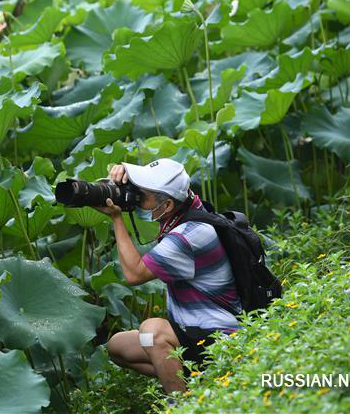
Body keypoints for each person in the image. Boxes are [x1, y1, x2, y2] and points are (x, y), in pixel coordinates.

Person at [94, 158, 242, 394]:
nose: (137, 197)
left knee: (151, 331)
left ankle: (182, 404)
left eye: (143, 194)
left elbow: (133, 274)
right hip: (191, 332)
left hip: (219, 336)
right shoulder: (191, 207)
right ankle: (200, 378)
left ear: (168, 205)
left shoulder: (187, 235)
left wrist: (116, 218)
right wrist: (125, 176)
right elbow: (169, 186)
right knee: (117, 346)